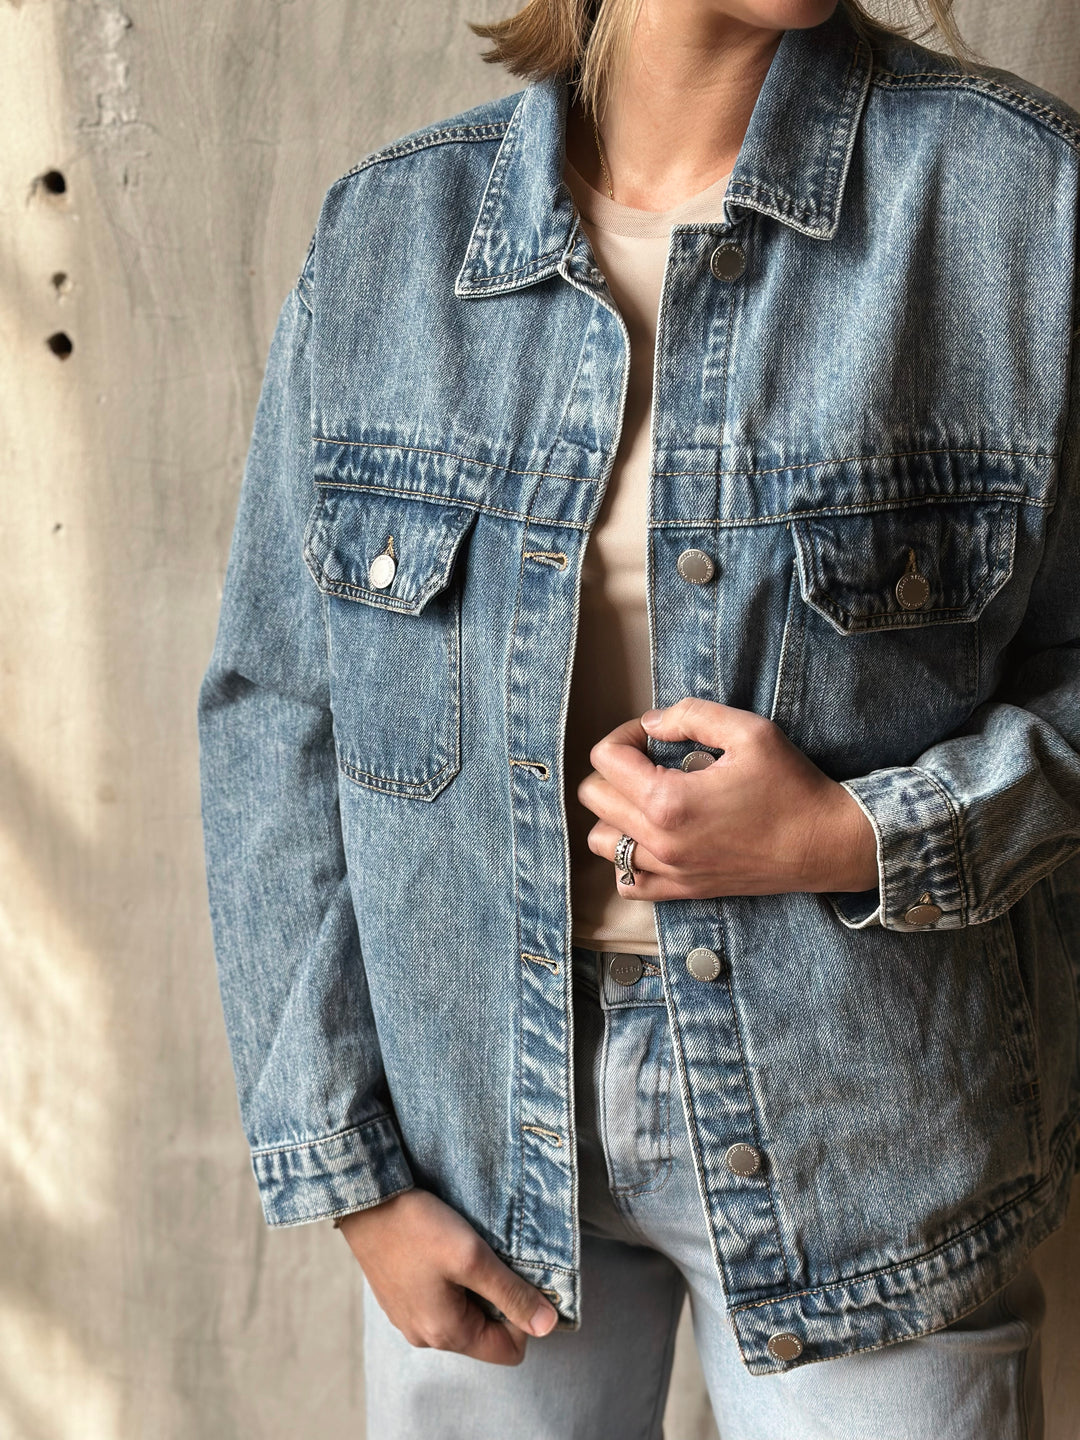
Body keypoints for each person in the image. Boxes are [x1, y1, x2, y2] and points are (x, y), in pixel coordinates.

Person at [196, 0, 1080, 1434]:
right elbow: (279, 716)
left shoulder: (1018, 201)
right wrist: (354, 1178)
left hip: (871, 1148)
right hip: (476, 1151)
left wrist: (855, 834)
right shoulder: (392, 237)